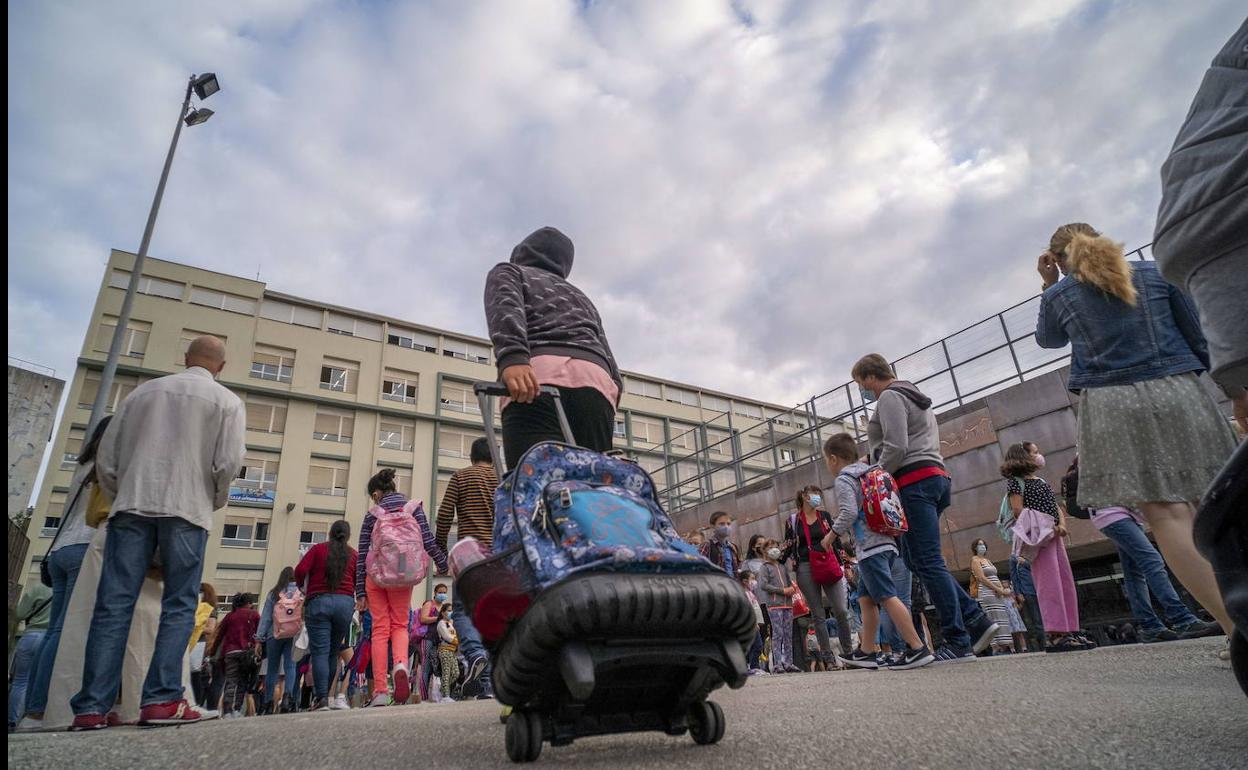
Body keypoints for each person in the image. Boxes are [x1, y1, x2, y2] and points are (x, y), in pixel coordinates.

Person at [1036, 224, 1238, 640]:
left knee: (1167, 514)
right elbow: (1199, 336)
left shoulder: (1059, 294)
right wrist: (1235, 391)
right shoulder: (1154, 272)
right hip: (1178, 389)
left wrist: (1048, 284)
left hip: (1112, 405)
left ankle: (1235, 627)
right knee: (1220, 503)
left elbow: (1048, 339)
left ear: (1056, 258)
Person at [70, 335, 245, 730]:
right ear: (221, 365)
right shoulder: (227, 402)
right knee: (180, 604)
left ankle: (92, 706)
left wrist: (123, 492)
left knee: (113, 605)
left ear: (185, 359)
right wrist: (211, 499)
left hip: (133, 503)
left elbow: (108, 458)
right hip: (187, 508)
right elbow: (228, 463)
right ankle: (162, 700)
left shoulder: (141, 394)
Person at [852, 354, 999, 664]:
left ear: (867, 377)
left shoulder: (890, 396)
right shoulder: (914, 394)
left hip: (913, 480)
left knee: (928, 561)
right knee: (916, 559)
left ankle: (958, 640)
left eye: (859, 384)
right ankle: (974, 619)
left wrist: (874, 476)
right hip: (933, 477)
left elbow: (897, 446)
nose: (862, 390)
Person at [485, 226, 622, 469]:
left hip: (537, 378)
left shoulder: (510, 271)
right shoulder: (581, 297)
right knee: (593, 482)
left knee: (535, 482)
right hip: (597, 384)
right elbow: (606, 350)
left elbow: (506, 309)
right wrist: (614, 391)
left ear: (522, 250)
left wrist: (513, 358)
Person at [15, 417, 112, 732]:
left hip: (58, 551)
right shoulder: (106, 466)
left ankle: (32, 709)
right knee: (68, 632)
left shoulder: (81, 467)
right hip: (85, 548)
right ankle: (41, 709)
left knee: (54, 631)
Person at [824, 434, 934, 671]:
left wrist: (831, 535)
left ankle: (916, 647)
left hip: (870, 548)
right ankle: (866, 651)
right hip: (887, 540)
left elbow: (849, 512)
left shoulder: (845, 479)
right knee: (866, 598)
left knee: (886, 596)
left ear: (833, 459)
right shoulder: (868, 471)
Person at [355, 468, 447, 707]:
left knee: (379, 630)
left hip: (376, 578)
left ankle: (380, 692)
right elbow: (428, 541)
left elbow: (363, 553)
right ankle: (400, 665)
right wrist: (443, 563)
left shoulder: (372, 514)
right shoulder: (413, 508)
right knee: (399, 625)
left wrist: (360, 592)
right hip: (403, 576)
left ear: (376, 494)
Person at [1001, 443, 1087, 653]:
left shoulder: (1040, 481)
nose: (1039, 456)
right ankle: (1056, 634)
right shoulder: (1016, 483)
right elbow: (1018, 510)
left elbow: (1054, 505)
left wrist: (1062, 525)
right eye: (1035, 452)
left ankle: (1070, 629)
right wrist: (1048, 526)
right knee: (1049, 585)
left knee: (1064, 582)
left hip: (1054, 535)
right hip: (1040, 538)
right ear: (1024, 456)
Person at [435, 437, 498, 700]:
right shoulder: (502, 479)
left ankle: (474, 653)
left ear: (472, 457)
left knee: (462, 611)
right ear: (492, 457)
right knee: (493, 617)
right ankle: (487, 686)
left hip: (468, 557)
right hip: (497, 556)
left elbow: (444, 514)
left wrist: (440, 551)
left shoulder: (460, 477)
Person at [782, 486, 854, 670]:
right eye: (814, 495)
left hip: (829, 563)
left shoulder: (825, 516)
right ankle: (828, 659)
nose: (817, 498)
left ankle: (848, 654)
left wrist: (845, 565)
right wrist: (774, 560)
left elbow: (836, 541)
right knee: (818, 614)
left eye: (818, 495)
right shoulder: (793, 521)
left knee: (841, 610)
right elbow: (788, 546)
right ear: (804, 497)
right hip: (805, 566)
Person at [295, 519, 357, 712]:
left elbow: (300, 570)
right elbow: (359, 578)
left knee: (319, 652)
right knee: (333, 652)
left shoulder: (318, 549)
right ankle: (329, 697)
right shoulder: (353, 554)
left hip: (319, 602)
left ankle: (321, 698)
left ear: (330, 532)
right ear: (347, 535)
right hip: (344, 604)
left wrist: (301, 587)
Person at [255, 567, 301, 714]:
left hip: (273, 635)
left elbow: (266, 617)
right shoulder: (299, 592)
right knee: (290, 666)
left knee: (272, 669)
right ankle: (288, 698)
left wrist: (259, 638)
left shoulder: (274, 593)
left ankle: (268, 703)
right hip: (293, 633)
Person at [9, 582, 52, 729]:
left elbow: (20, 613)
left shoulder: (37, 588)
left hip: (31, 636)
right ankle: (34, 718)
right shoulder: (69, 587)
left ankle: (12, 721)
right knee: (44, 680)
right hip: (52, 638)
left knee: (21, 681)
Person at [210, 594, 259, 718]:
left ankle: (227, 710)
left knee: (230, 681)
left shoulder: (230, 616)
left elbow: (220, 635)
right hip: (246, 653)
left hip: (230, 652)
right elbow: (260, 633)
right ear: (249, 603)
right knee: (243, 681)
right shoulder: (254, 615)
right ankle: (237, 709)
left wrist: (212, 651)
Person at [967, 539, 1016, 655]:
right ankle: (996, 647)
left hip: (997, 594)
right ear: (975, 547)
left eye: (983, 544)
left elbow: (995, 576)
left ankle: (1005, 645)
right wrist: (997, 589)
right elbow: (981, 578)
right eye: (979, 544)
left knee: (1002, 617)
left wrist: (1001, 590)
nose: (982, 546)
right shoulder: (975, 560)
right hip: (986, 593)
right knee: (992, 617)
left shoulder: (987, 560)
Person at [758, 539, 799, 673]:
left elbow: (789, 582)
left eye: (775, 546)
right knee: (778, 634)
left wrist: (792, 588)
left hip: (788, 604)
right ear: (764, 551)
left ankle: (789, 663)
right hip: (774, 605)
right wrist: (782, 591)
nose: (774, 549)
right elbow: (763, 585)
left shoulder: (782, 566)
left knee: (788, 633)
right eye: (770, 547)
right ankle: (777, 664)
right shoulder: (765, 567)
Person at [188, 583, 219, 709]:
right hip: (191, 642)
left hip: (199, 643)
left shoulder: (210, 609)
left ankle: (196, 703)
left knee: (195, 674)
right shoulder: (194, 606)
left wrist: (195, 627)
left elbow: (210, 629)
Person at [417, 584, 447, 701]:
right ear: (435, 592)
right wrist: (438, 617)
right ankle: (423, 697)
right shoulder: (429, 604)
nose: (442, 594)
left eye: (444, 592)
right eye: (440, 592)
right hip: (427, 638)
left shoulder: (444, 607)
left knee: (437, 667)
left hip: (439, 641)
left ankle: (436, 695)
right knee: (426, 667)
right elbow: (423, 619)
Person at [738, 569, 767, 675]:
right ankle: (752, 666)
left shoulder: (750, 593)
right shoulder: (743, 594)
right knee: (756, 645)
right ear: (745, 581)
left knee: (756, 646)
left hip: (755, 624)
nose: (755, 581)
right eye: (752, 579)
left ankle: (752, 667)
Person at [698, 511, 740, 576]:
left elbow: (736, 570)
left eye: (728, 524)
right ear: (713, 526)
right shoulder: (707, 545)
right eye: (722, 524)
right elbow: (699, 566)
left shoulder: (733, 547)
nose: (726, 527)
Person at [436, 604, 460, 701]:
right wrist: (457, 641)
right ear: (443, 612)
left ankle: (443, 690)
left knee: (455, 673)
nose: (451, 612)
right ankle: (445, 696)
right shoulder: (441, 623)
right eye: (449, 610)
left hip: (452, 651)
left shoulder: (450, 623)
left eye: (451, 610)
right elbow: (447, 636)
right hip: (445, 650)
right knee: (446, 673)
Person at [1000, 580, 1028, 653]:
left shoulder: (1012, 598)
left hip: (1015, 618)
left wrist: (1021, 602)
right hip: (1007, 617)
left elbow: (1018, 608)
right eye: (1002, 583)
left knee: (1020, 634)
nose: (1004, 584)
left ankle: (1024, 648)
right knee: (1009, 634)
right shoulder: (1001, 599)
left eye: (1006, 582)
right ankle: (1012, 650)